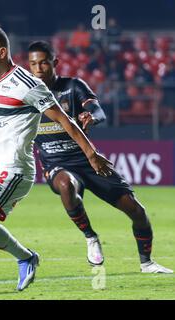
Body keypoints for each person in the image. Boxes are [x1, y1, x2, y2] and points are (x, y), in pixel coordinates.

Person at [0, 26, 112, 291]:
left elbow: (64, 120)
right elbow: (3, 130)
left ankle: (26, 257)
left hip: (13, 169)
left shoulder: (27, 84)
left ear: (1, 52)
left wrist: (91, 154)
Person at [28, 40, 173, 273]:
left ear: (54, 63)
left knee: (137, 211)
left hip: (88, 159)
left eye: (44, 62)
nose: (38, 69)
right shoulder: (28, 97)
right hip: (56, 164)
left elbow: (97, 109)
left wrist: (92, 117)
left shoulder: (73, 87)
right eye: (33, 64)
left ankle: (147, 262)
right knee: (66, 184)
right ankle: (90, 236)